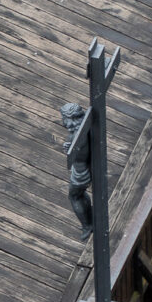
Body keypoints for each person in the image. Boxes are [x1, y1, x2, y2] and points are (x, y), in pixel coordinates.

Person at [59, 102, 93, 241]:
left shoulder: (76, 136)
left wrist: (69, 149)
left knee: (74, 196)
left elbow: (76, 154)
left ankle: (87, 225)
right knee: (80, 194)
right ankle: (89, 217)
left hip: (81, 171)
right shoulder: (83, 129)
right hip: (82, 165)